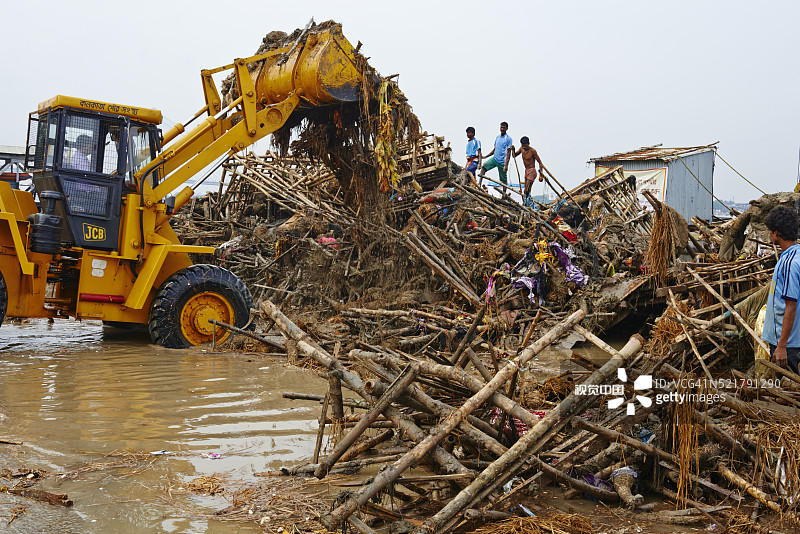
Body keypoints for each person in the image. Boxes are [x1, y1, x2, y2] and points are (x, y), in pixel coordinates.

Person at [762, 205, 800, 374]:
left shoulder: (790, 263)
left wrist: (782, 346)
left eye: (771, 230)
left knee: (787, 390)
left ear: (777, 232)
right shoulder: (795, 255)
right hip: (793, 340)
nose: (769, 234)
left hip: (787, 343)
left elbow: (790, 306)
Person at [478, 121, 513, 194]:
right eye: (501, 127)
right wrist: (485, 156)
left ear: (507, 129)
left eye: (504, 128)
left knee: (503, 180)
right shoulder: (497, 137)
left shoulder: (508, 139)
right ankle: (479, 184)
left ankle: (504, 194)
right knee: (484, 167)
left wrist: (506, 165)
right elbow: (495, 149)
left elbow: (509, 152)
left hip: (502, 162)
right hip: (495, 159)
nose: (502, 129)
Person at [512, 136, 544, 206]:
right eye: (523, 146)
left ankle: (526, 204)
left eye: (525, 146)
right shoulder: (521, 149)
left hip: (532, 171)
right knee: (525, 191)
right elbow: (514, 156)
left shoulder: (532, 151)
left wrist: (541, 175)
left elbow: (540, 163)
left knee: (527, 189)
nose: (524, 148)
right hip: (526, 171)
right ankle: (526, 204)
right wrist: (513, 150)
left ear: (529, 144)